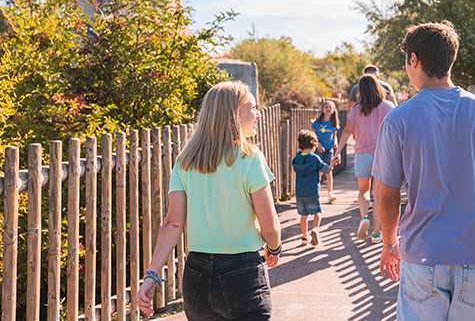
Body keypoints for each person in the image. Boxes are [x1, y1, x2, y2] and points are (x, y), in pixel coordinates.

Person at [373, 21, 475, 321]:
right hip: (474, 256)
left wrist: (388, 243)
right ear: (452, 58)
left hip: (423, 254)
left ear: (413, 60)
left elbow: (387, 195)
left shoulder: (398, 119)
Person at [136, 81, 281, 320]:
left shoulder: (185, 162)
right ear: (233, 113)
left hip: (196, 277)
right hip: (242, 272)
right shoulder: (250, 158)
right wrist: (274, 248)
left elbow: (173, 223)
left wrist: (152, 274)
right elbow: (270, 225)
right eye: (252, 107)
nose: (258, 114)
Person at [333, 74, 394, 244]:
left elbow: (346, 131)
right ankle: (376, 233)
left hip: (361, 155)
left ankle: (364, 217)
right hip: (382, 156)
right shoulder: (388, 106)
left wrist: (337, 152)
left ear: (361, 90)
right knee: (379, 195)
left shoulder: (356, 109)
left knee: (363, 191)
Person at [292, 129, 339, 246]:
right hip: (312, 192)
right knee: (317, 212)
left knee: (303, 216)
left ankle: (304, 237)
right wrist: (333, 163)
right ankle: (315, 229)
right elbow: (327, 170)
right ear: (314, 145)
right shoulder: (314, 158)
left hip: (300, 192)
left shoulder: (297, 158)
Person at [312, 100, 340, 203]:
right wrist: (318, 145)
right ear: (322, 109)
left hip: (329, 149)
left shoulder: (333, 123)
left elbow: (335, 136)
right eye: (326, 107)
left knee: (329, 170)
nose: (328, 109)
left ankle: (329, 193)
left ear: (333, 110)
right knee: (318, 171)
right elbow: (313, 136)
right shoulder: (317, 123)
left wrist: (335, 144)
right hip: (319, 149)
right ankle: (316, 193)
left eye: (330, 107)